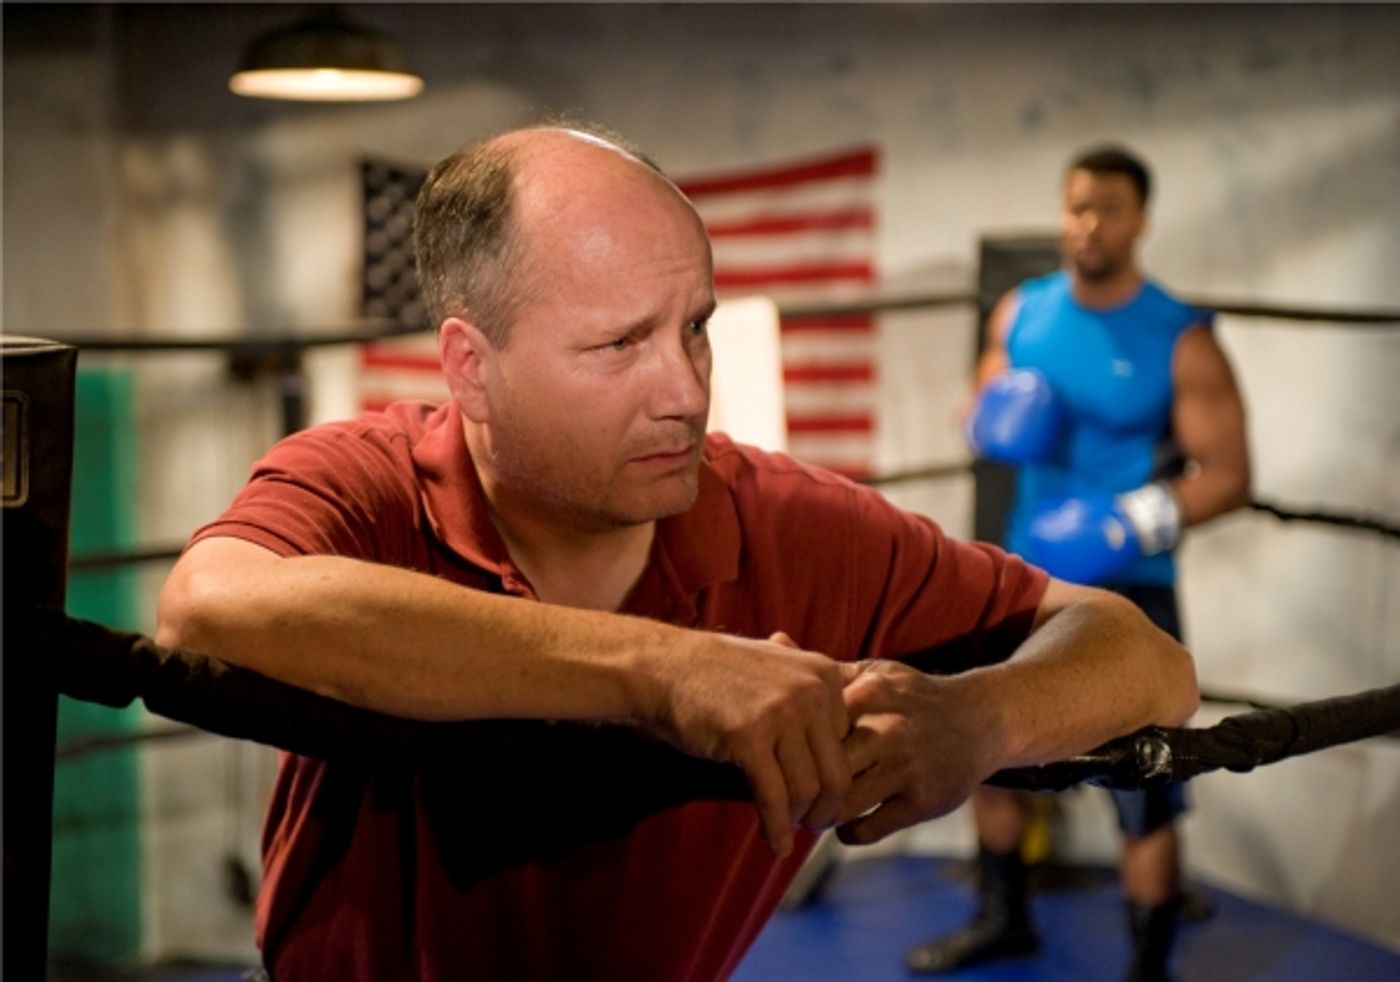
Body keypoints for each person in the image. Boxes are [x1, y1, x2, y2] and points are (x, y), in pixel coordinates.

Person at [156, 125, 1199, 982]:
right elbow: (210, 604)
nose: (685, 390)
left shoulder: (787, 525)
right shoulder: (371, 481)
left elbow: (1142, 656)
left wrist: (979, 716)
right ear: (470, 370)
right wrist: (662, 670)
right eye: (619, 345)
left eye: (693, 328)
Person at [906, 145, 1250, 982]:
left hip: (1131, 585)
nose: (1087, 225)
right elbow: (978, 406)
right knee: (985, 743)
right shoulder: (1022, 311)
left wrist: (1132, 521)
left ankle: (1146, 967)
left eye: (1107, 209)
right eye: (1076, 207)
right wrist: (992, 418)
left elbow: (1231, 475)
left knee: (1146, 787)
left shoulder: (1179, 334)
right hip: (1023, 576)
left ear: (1141, 220)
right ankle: (1002, 916)